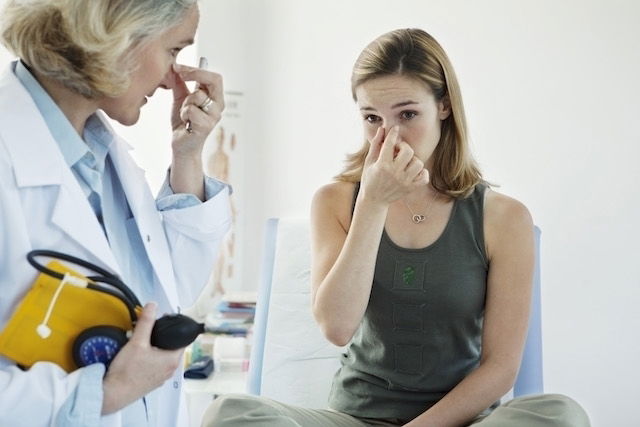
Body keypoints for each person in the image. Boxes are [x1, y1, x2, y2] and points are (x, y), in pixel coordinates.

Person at [202, 28, 590, 426]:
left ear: (443, 107)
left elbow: (501, 368)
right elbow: (336, 327)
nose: (389, 136)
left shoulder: (504, 218)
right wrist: (373, 203)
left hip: (460, 422)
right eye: (372, 118)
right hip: (356, 418)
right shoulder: (336, 201)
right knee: (230, 413)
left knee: (560, 413)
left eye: (407, 114)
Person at [0, 0, 231, 426]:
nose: (171, 80)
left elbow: (165, 295)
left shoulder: (100, 154)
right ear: (117, 35)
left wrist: (188, 156)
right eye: (173, 51)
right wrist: (102, 395)